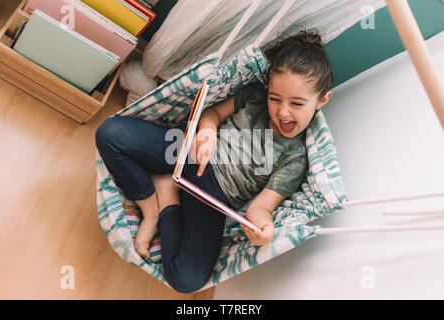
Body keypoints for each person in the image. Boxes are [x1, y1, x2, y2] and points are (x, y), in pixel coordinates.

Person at [95, 28, 333, 293]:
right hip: (187, 154)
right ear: (267, 89)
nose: (283, 111)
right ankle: (150, 209)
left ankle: (168, 195)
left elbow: (261, 208)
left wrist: (263, 230)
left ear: (322, 100)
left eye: (297, 104)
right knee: (110, 133)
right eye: (275, 98)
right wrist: (207, 131)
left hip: (213, 197)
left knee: (186, 280)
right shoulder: (255, 96)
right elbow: (213, 113)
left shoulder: (295, 158)